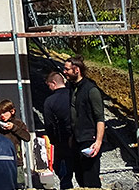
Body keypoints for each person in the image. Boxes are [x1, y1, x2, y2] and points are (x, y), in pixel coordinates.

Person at [63, 56, 104, 189]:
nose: (64, 72)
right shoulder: (72, 88)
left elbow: (100, 118)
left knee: (90, 178)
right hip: (76, 139)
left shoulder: (91, 90)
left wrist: (98, 141)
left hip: (89, 139)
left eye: (67, 69)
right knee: (79, 175)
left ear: (77, 70)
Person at [44, 71, 74, 188]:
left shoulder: (50, 101)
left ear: (54, 83)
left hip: (62, 141)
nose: (49, 88)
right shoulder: (74, 95)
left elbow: (49, 124)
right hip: (78, 138)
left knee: (64, 173)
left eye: (49, 85)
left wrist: (53, 140)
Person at [0, 98, 31, 186]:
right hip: (1, 160)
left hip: (16, 161)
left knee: (19, 184)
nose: (2, 115)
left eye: (4, 112)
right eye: (0, 113)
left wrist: (13, 128)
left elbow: (27, 137)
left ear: (12, 111)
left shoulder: (18, 123)